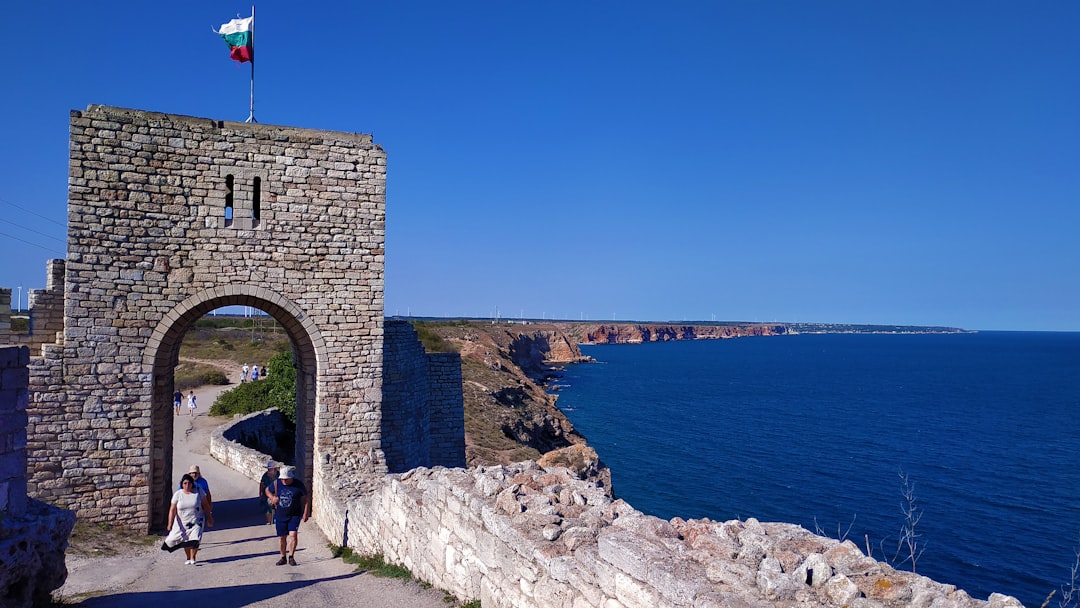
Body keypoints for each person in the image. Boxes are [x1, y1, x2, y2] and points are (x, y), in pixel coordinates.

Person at [163, 473, 214, 564]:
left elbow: (205, 505)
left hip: (197, 519)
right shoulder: (178, 494)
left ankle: (193, 557)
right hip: (182, 521)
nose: (187, 485)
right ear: (182, 484)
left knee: (195, 539)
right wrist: (170, 523)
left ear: (192, 484)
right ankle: (188, 557)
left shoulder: (198, 491)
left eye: (189, 483)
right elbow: (172, 509)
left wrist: (209, 517)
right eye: (185, 483)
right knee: (184, 539)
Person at [266, 466, 310, 566]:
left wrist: (306, 512)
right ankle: (283, 557)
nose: (284, 481)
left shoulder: (298, 485)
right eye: (283, 479)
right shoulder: (277, 483)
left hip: (294, 514)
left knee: (293, 535)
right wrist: (272, 497)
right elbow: (267, 490)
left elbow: (307, 498)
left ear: (291, 478)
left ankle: (291, 556)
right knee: (282, 537)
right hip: (280, 515)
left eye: (286, 479)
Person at [258, 461, 279, 525]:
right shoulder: (265, 475)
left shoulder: (279, 475)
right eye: (268, 469)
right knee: (267, 508)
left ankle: (276, 519)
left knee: (277, 507)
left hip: (277, 493)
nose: (269, 470)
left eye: (270, 469)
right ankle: (270, 521)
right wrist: (261, 492)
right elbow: (262, 484)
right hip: (267, 494)